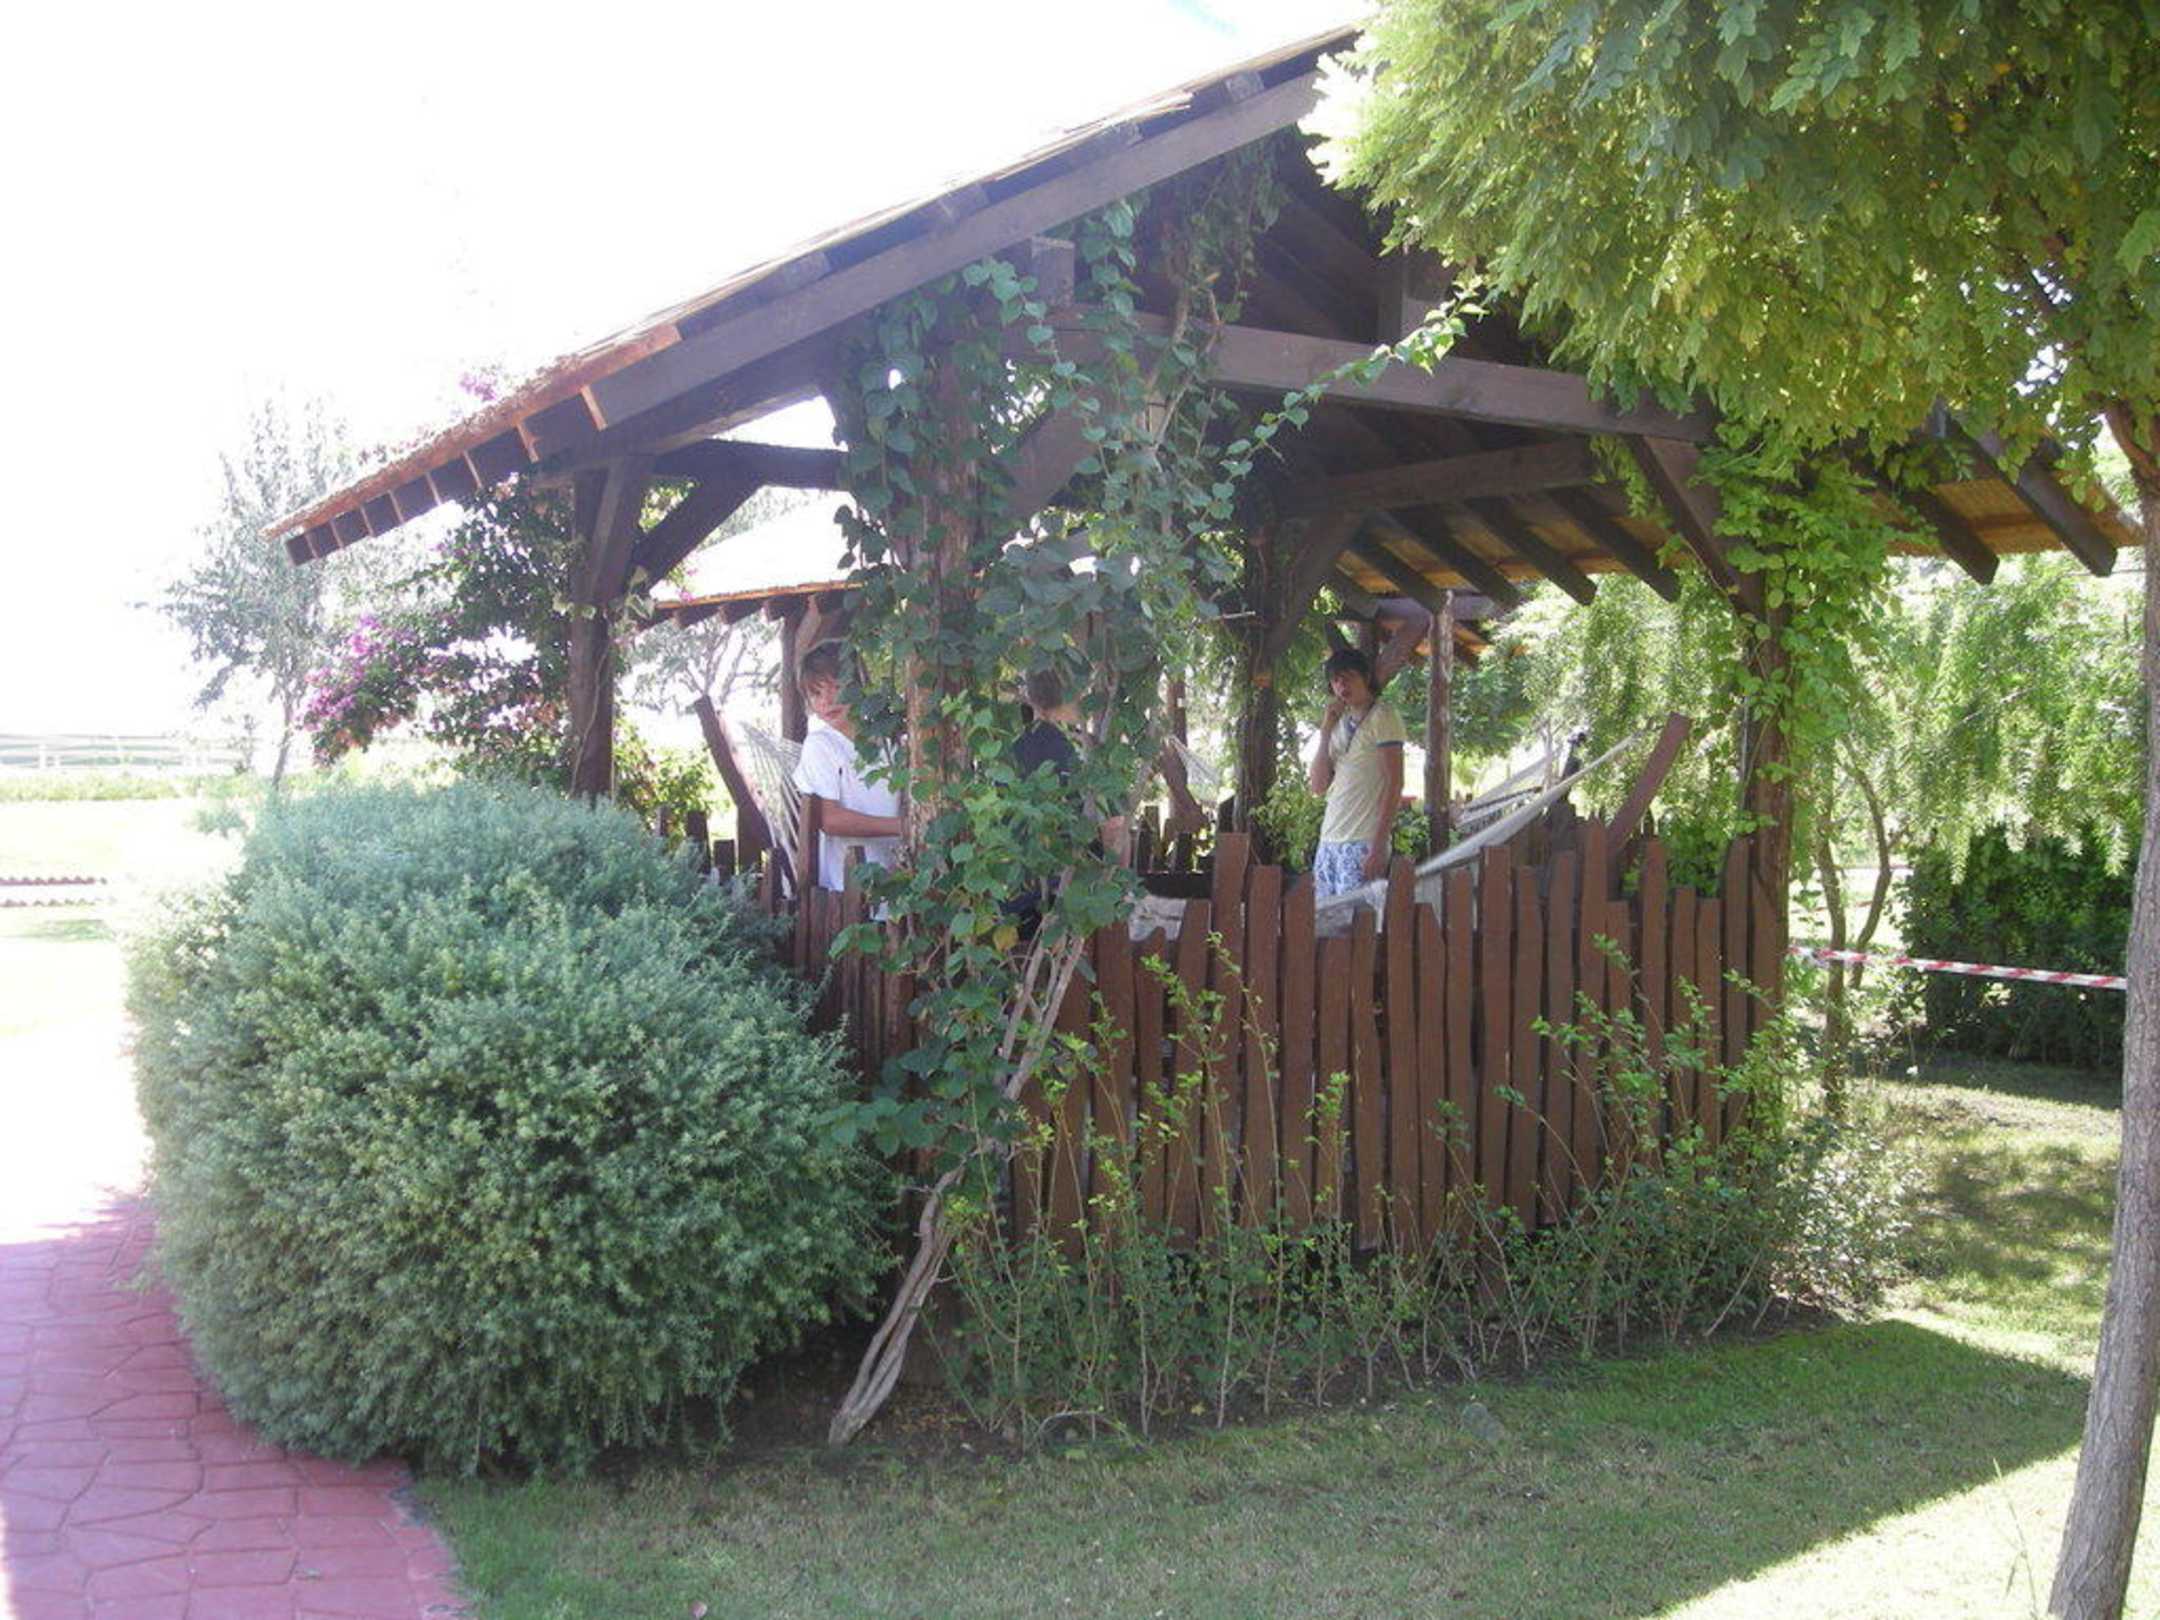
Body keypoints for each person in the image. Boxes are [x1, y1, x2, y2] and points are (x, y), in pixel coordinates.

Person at [791, 640, 903, 892]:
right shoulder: (821, 745)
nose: (827, 701)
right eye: (816, 693)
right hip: (846, 888)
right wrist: (902, 827)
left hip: (900, 878)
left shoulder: (892, 740)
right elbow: (830, 820)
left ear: (860, 685)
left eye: (837, 687)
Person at [1307, 646, 1406, 898]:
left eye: (1348, 677)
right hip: (1329, 840)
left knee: (1358, 919)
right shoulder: (1337, 725)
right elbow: (1317, 786)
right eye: (1336, 680)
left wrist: (1378, 845)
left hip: (1364, 840)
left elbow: (1395, 782)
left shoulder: (1383, 716)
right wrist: (1325, 732)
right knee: (1324, 918)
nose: (1342, 685)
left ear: (1365, 677)